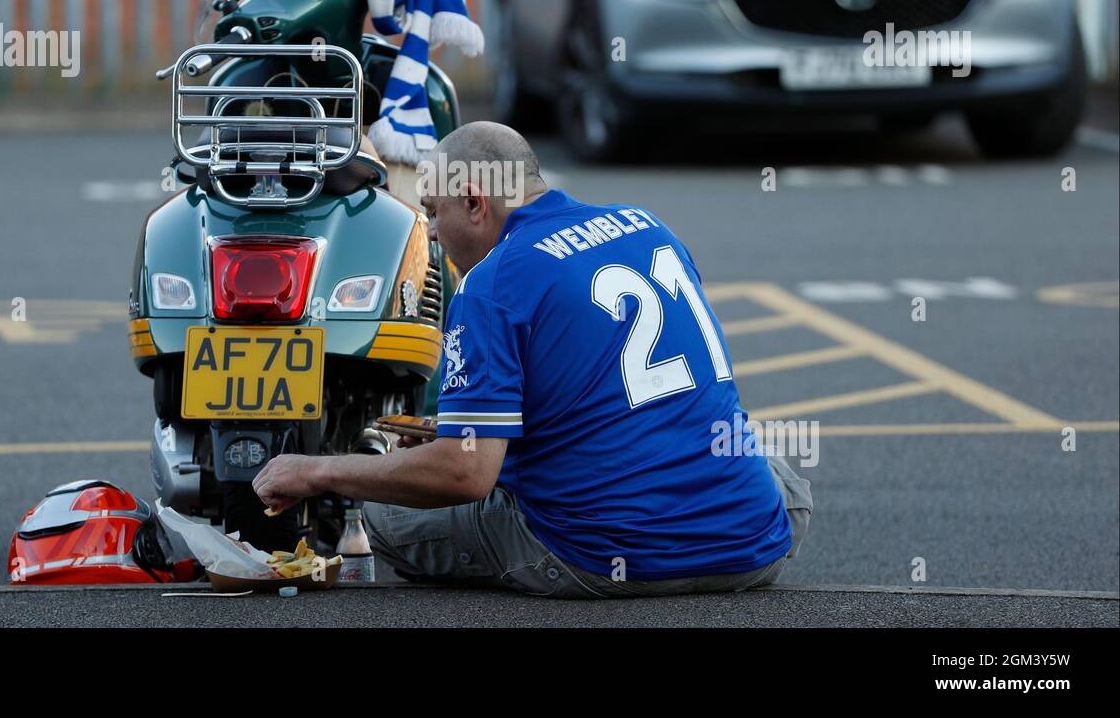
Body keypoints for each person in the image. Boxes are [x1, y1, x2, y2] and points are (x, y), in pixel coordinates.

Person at [254, 121, 812, 597]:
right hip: (751, 547)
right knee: (768, 463)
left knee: (384, 519)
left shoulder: (490, 283)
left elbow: (464, 474)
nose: (432, 231)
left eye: (433, 211)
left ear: (474, 202)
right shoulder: (647, 225)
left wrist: (318, 471)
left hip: (604, 561)